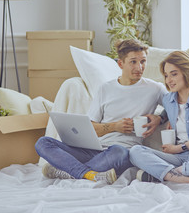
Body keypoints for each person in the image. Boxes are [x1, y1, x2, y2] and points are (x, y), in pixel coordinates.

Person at [35, 39, 168, 184]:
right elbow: (92, 127)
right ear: (120, 64)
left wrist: (159, 118)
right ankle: (88, 174)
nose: (140, 67)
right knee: (43, 143)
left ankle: (69, 171)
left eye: (143, 61)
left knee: (119, 152)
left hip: (120, 153)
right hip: (93, 150)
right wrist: (114, 126)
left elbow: (175, 105)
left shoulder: (154, 89)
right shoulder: (105, 89)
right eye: (133, 62)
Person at [129, 51, 189, 186]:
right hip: (176, 159)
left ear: (187, 72)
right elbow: (168, 111)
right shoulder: (169, 99)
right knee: (135, 151)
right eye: (166, 75)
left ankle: (163, 174)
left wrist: (179, 148)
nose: (169, 80)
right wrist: (160, 118)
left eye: (174, 74)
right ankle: (187, 179)